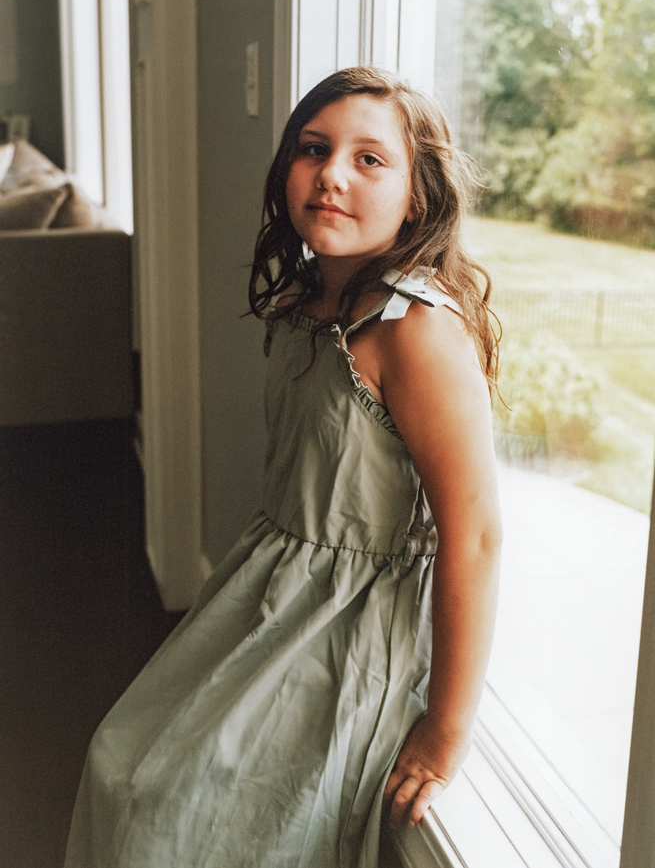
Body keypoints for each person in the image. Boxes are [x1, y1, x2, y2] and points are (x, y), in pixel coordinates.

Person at [64, 66, 502, 868]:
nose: (331, 173)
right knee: (121, 762)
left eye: (370, 159)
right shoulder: (310, 303)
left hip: (346, 630)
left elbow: (472, 535)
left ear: (418, 195)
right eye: (313, 148)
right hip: (267, 588)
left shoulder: (415, 332)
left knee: (172, 812)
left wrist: (444, 728)